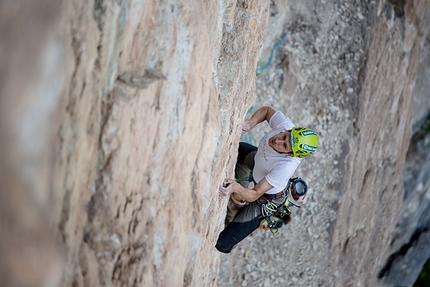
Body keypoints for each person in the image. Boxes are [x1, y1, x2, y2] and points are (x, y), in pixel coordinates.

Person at [215, 106, 318, 253]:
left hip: (266, 198)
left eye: (284, 145)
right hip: (259, 165)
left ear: (290, 154)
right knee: (240, 149)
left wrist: (236, 187)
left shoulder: (285, 167)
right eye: (284, 136)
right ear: (290, 130)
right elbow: (267, 111)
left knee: (223, 244)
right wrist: (251, 122)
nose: (278, 141)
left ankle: (243, 202)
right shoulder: (286, 126)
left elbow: (256, 194)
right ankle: (238, 200)